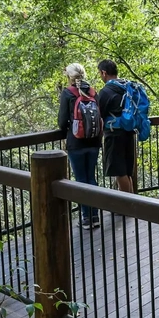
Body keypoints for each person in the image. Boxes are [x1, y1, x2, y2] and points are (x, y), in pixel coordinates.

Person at [57, 63, 101, 228]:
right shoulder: (93, 92)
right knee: (91, 178)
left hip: (76, 142)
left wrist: (65, 130)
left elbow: (62, 122)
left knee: (81, 179)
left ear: (69, 76)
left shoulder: (68, 93)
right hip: (94, 141)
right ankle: (95, 216)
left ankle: (86, 218)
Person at [96, 59, 137, 193]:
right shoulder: (127, 86)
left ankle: (126, 206)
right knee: (126, 171)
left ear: (104, 73)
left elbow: (99, 113)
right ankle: (132, 203)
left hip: (114, 134)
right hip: (129, 131)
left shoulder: (106, 91)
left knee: (119, 172)